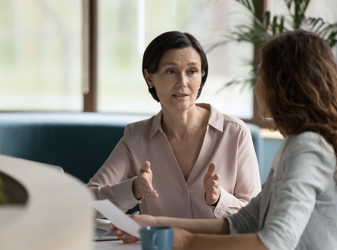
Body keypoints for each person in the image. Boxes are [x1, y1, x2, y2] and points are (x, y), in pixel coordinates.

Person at [113, 29, 337, 249]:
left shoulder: (307, 148)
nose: (255, 86)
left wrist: (186, 241)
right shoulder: (295, 144)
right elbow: (244, 222)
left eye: (261, 76)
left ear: (283, 86)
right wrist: (155, 224)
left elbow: (274, 242)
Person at [86, 31, 261, 219]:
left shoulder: (235, 133)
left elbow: (255, 218)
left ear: (201, 77)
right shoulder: (136, 138)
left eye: (192, 71)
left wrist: (219, 199)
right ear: (149, 78)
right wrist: (134, 189)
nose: (183, 82)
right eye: (171, 71)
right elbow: (88, 204)